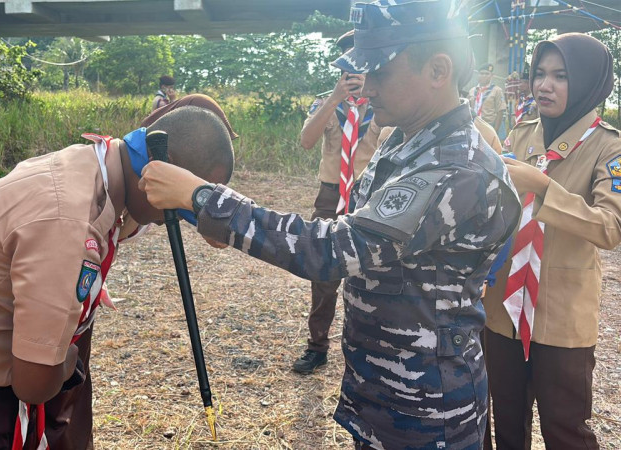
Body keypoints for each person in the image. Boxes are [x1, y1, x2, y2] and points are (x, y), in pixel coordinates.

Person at [140, 0, 521, 447]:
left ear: (438, 70)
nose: (366, 87)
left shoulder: (456, 167)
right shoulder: (406, 140)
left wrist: (204, 198)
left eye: (380, 73)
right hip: (386, 394)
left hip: (428, 411)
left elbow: (333, 250)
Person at [0, 105, 235, 450]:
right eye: (183, 201)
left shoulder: (99, 166)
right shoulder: (68, 222)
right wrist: (68, 361)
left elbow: (136, 209)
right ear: (159, 169)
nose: (174, 218)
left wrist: (207, 211)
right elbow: (34, 384)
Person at [482, 33, 620, 450]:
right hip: (503, 309)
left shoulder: (609, 147)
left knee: (565, 431)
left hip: (560, 317)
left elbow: (610, 227)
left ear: (588, 82)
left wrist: (543, 188)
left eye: (561, 76)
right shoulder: (523, 135)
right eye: (539, 73)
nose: (544, 85)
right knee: (507, 424)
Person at [293, 30, 381, 374]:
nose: (353, 74)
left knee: (372, 274)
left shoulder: (383, 105)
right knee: (323, 270)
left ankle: (370, 350)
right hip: (331, 196)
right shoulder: (326, 104)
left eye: (360, 66)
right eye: (348, 67)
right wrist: (333, 99)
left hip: (369, 196)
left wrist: (372, 93)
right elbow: (306, 141)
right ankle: (317, 346)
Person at [469, 63, 507, 136]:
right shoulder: (472, 91)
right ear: (478, 75)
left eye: (487, 74)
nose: (484, 76)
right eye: (481, 73)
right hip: (474, 126)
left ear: (492, 76)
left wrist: (495, 131)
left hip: (488, 126)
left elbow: (500, 111)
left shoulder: (497, 90)